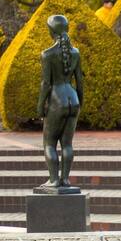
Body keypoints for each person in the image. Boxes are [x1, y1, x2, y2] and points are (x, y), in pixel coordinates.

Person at [37, 15, 84, 189]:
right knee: (67, 143)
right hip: (73, 98)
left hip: (57, 99)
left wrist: (40, 106)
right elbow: (79, 81)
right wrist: (81, 101)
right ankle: (65, 179)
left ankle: (54, 180)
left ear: (51, 31)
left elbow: (46, 84)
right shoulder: (75, 53)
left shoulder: (47, 54)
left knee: (49, 143)